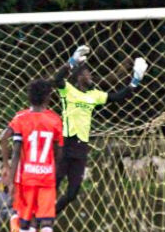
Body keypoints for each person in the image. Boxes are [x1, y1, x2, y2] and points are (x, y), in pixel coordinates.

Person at [52, 45, 148, 215]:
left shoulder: (94, 95)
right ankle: (36, 216)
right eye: (87, 73)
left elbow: (118, 97)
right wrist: (72, 62)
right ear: (79, 77)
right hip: (66, 144)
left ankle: (50, 214)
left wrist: (135, 81)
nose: (90, 76)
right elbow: (57, 79)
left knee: (73, 192)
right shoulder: (68, 91)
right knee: (53, 184)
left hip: (81, 147)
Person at [7, 79, 64, 232]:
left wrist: (11, 180)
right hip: (46, 177)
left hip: (26, 179)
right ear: (48, 96)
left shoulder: (21, 119)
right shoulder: (55, 120)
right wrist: (54, 172)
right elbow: (58, 152)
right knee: (46, 222)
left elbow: (15, 153)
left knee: (25, 222)